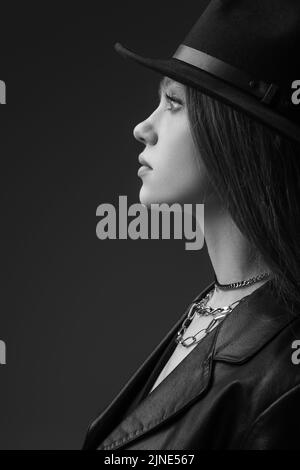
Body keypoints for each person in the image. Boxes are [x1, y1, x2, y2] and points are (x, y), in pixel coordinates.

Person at [82, 0, 300, 450]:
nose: (144, 127)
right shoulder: (216, 307)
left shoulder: (285, 370)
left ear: (236, 132)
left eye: (173, 102)